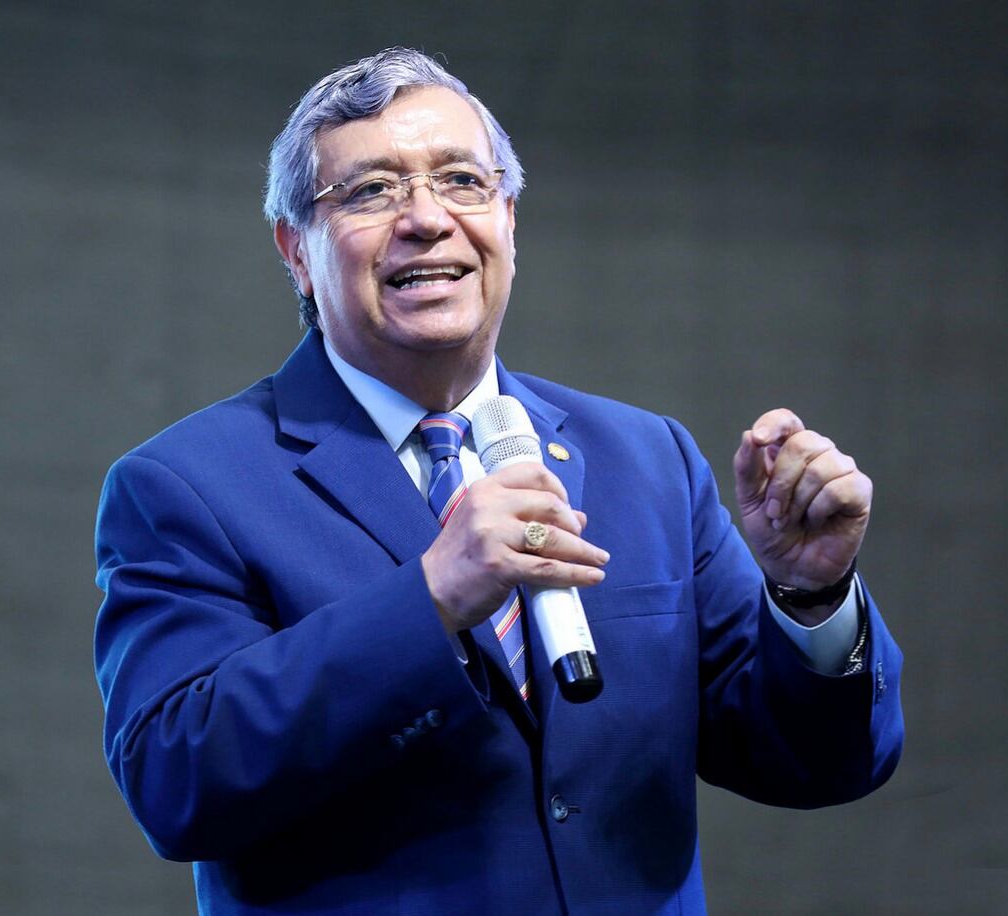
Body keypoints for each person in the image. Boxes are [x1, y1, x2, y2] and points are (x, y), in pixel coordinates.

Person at [93, 47, 903, 915]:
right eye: (372, 191)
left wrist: (810, 597)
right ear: (296, 250)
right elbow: (175, 781)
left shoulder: (646, 458)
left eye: (461, 181)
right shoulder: (186, 486)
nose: (427, 219)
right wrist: (431, 598)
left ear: (508, 219)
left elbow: (816, 763)